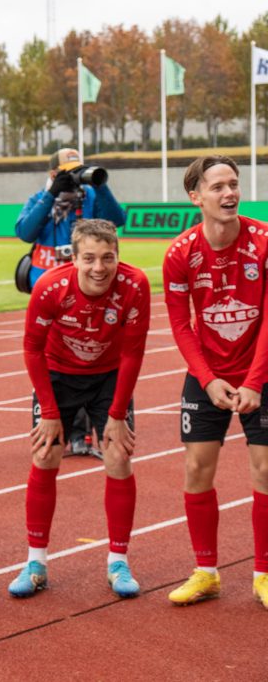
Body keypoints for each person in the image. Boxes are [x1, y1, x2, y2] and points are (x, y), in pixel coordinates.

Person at [8, 219, 150, 599]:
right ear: (75, 257)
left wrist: (118, 415)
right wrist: (50, 412)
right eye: (89, 258)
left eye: (108, 258)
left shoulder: (135, 285)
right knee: (45, 455)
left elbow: (134, 353)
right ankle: (36, 562)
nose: (99, 268)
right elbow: (32, 349)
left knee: (118, 457)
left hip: (109, 375)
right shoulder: (50, 286)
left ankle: (118, 562)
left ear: (118, 256)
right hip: (58, 374)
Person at [162, 156, 268, 608]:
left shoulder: (264, 240)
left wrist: (255, 382)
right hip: (208, 375)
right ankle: (206, 572)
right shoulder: (180, 253)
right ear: (196, 197)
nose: (230, 193)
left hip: (260, 371)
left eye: (234, 184)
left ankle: (263, 573)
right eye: (218, 186)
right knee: (197, 470)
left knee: (265, 470)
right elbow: (180, 324)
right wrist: (206, 380)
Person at [16, 148, 127, 459]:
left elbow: (117, 220)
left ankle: (90, 432)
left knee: (93, 354)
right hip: (47, 289)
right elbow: (25, 231)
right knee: (57, 360)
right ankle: (71, 432)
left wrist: (100, 185)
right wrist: (51, 194)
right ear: (53, 174)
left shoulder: (89, 197)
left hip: (88, 289)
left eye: (78, 170)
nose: (74, 178)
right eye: (67, 173)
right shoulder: (41, 198)